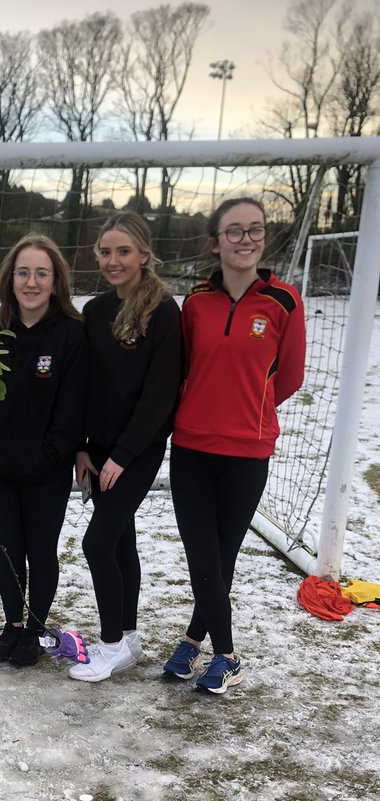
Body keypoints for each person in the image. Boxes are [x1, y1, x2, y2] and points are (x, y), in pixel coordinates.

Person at [163, 196, 306, 694]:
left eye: (255, 230)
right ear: (215, 242)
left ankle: (213, 648)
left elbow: (289, 376)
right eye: (234, 231)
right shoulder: (196, 303)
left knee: (221, 557)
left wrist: (250, 412)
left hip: (248, 451)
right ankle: (214, 646)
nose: (246, 239)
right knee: (203, 557)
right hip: (192, 449)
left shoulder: (285, 302)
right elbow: (183, 370)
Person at [68, 213, 182, 683]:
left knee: (97, 543)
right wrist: (81, 449)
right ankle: (130, 636)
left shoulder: (163, 312)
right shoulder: (94, 312)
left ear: (143, 255)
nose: (113, 261)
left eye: (123, 252)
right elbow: (80, 386)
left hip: (137, 450)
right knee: (121, 542)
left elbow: (161, 396)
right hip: (97, 450)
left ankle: (110, 644)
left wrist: (123, 455)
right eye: (106, 252)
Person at [0, 234, 86, 668]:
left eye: (41, 273)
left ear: (55, 282)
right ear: (9, 280)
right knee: (8, 549)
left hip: (46, 469)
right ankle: (13, 625)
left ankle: (36, 628)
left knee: (41, 549)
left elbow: (72, 408)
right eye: (23, 273)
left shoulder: (72, 335)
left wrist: (50, 455)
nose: (31, 282)